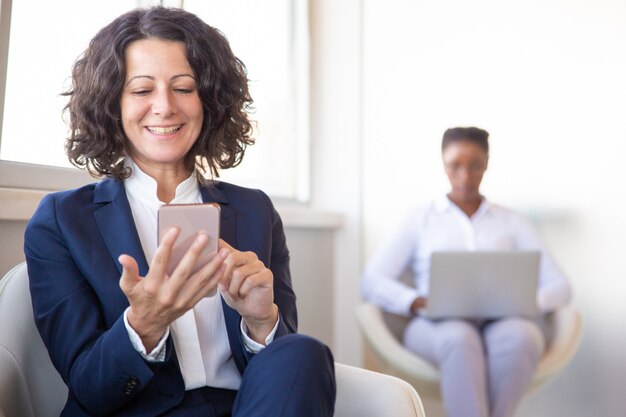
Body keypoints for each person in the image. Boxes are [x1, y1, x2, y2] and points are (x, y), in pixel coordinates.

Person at [24, 7, 335, 417]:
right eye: (141, 90)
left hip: (245, 409)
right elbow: (88, 386)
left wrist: (262, 322)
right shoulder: (63, 221)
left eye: (184, 88)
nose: (165, 106)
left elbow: (286, 381)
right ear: (111, 103)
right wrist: (144, 326)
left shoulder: (254, 210)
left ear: (208, 100)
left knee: (303, 351)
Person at [361, 126, 571, 417]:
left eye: (475, 166)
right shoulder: (419, 218)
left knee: (522, 336)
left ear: (487, 163)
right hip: (436, 326)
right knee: (459, 339)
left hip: (501, 321)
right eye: (455, 166)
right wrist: (419, 301)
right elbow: (371, 281)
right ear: (443, 164)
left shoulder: (512, 221)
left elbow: (560, 286)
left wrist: (524, 302)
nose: (465, 176)